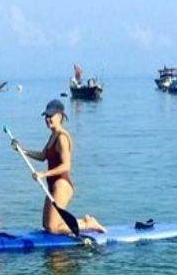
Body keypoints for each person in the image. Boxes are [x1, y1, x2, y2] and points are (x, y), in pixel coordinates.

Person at [10, 99, 106, 235]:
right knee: (47, 225)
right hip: (53, 184)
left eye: (51, 116)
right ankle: (80, 223)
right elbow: (43, 156)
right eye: (46, 116)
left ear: (60, 116)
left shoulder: (62, 137)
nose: (48, 119)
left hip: (62, 185)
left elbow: (66, 166)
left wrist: (43, 174)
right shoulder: (53, 135)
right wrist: (22, 150)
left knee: (54, 228)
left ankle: (87, 224)